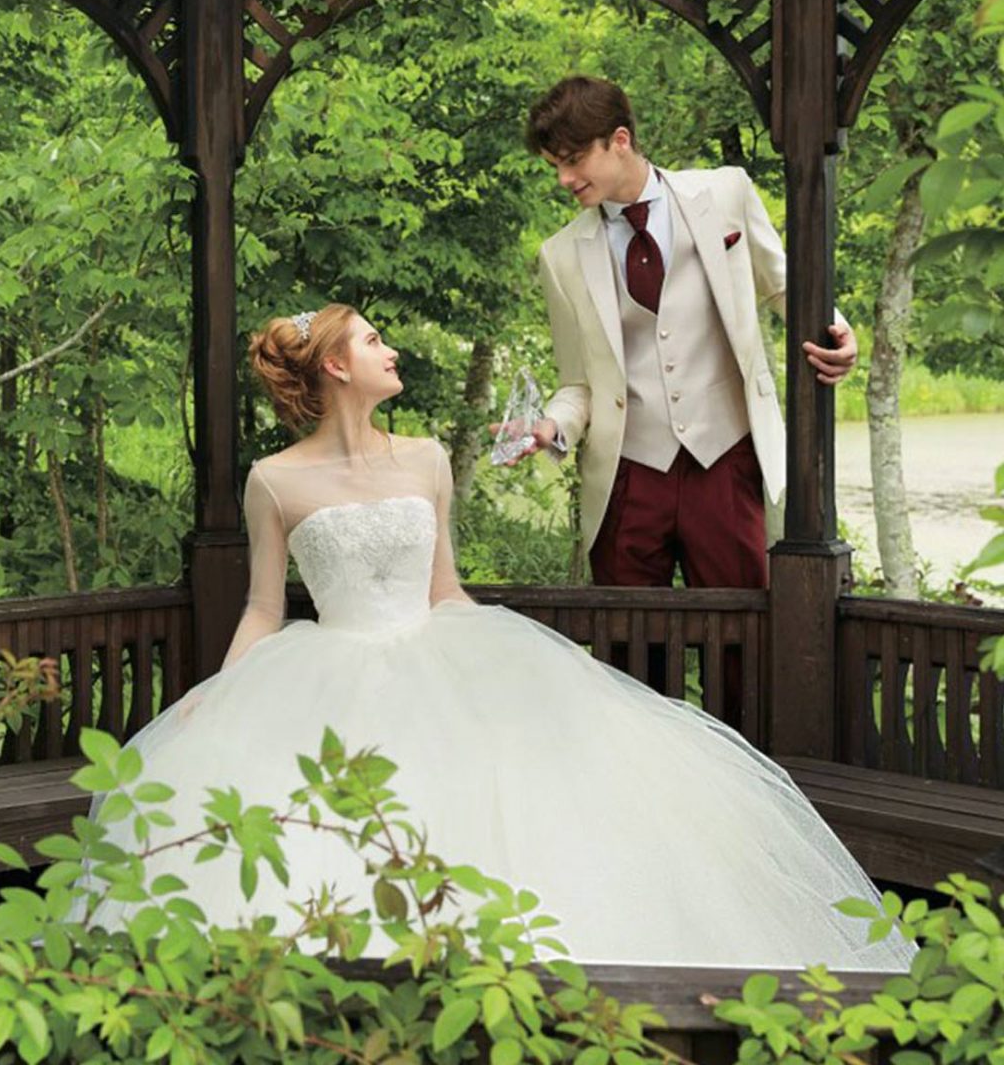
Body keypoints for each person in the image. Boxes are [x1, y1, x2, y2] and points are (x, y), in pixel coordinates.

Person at [76, 302, 913, 971]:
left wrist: (532, 669)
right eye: (373, 341)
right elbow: (264, 608)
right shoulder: (274, 480)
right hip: (328, 669)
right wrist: (221, 694)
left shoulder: (426, 459)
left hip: (436, 647)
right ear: (335, 366)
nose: (390, 350)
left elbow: (445, 589)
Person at [512, 76, 858, 593]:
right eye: (554, 166)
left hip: (726, 459)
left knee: (740, 629)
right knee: (627, 635)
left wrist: (837, 330)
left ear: (620, 140)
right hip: (628, 474)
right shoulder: (559, 256)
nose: (564, 178)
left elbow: (784, 284)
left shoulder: (725, 192)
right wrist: (550, 427)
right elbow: (578, 384)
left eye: (574, 160)